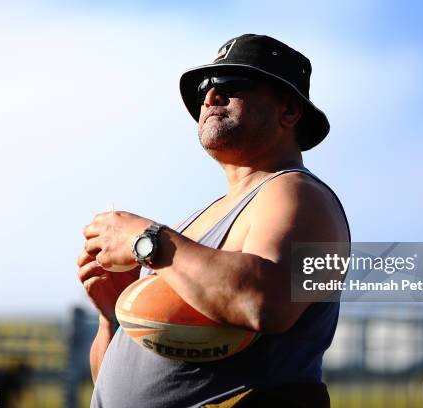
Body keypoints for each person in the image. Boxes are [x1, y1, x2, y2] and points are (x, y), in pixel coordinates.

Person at [77, 34, 350, 407]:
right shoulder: (196, 222)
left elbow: (266, 302)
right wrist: (112, 317)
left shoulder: (297, 193)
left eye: (231, 84)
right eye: (205, 87)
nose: (209, 96)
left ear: (289, 111)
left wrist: (144, 240)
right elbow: (112, 385)